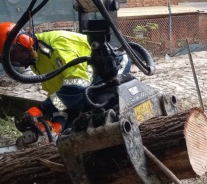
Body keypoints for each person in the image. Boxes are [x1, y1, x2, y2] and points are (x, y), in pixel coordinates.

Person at [0, 22, 130, 141]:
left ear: (23, 41)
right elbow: (61, 96)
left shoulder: (55, 47)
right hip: (87, 80)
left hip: (111, 66)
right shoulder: (36, 60)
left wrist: (42, 108)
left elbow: (77, 86)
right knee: (74, 122)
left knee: (98, 107)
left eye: (13, 55)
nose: (15, 62)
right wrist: (58, 124)